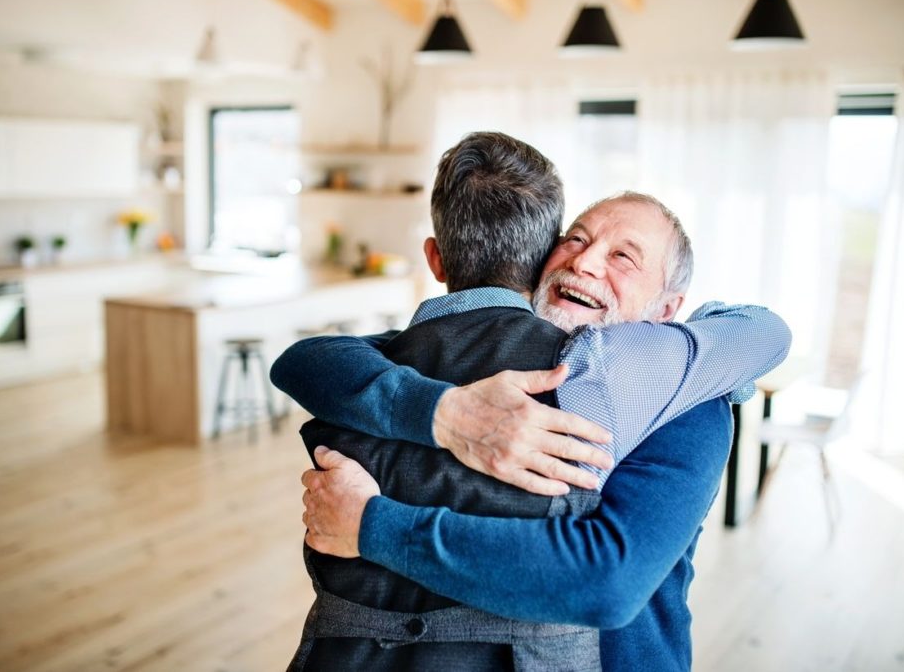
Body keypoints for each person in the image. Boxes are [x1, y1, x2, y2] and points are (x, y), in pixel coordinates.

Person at [273, 132, 791, 670]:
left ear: (667, 310)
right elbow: (311, 359)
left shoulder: (687, 404)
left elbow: (606, 581)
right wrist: (443, 411)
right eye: (575, 240)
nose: (585, 262)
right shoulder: (478, 356)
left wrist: (371, 525)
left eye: (623, 258)